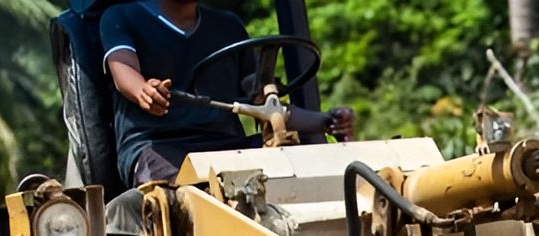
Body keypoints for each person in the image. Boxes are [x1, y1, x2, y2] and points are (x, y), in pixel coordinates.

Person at [101, 0, 354, 185]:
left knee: (301, 170)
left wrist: (327, 121)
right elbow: (123, 71)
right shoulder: (121, 16)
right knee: (183, 193)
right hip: (157, 146)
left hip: (225, 147)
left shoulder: (228, 27)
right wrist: (144, 91)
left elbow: (264, 103)